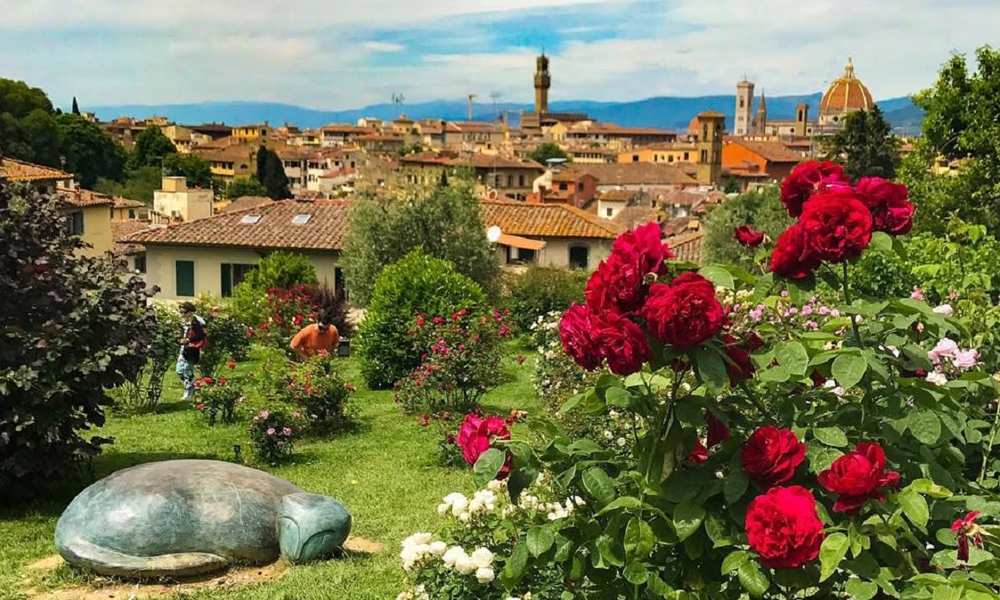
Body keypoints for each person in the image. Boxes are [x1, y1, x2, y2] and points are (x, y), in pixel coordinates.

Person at [176, 302, 207, 400]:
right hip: (184, 349)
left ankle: (188, 393)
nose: (180, 311)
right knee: (179, 370)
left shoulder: (194, 321)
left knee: (187, 371)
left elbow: (201, 335)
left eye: (182, 309)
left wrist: (189, 340)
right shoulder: (184, 321)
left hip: (191, 349)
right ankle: (194, 386)